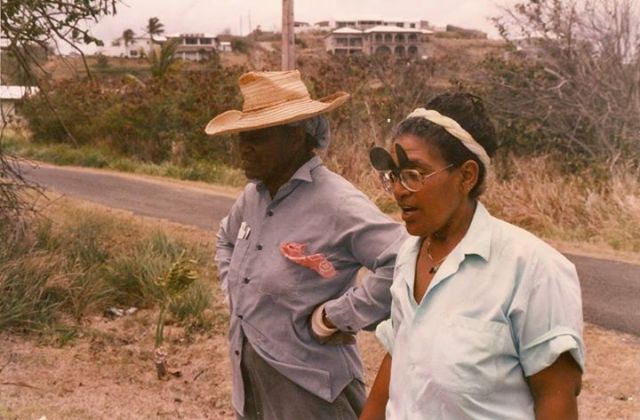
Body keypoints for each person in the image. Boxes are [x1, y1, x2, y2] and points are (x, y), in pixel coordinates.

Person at [360, 93, 585, 419]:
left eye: (414, 174)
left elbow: (555, 397)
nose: (398, 190)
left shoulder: (532, 267)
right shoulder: (409, 256)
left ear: (466, 176)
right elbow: (399, 354)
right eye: (394, 175)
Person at [205, 70, 407, 420]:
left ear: (296, 138)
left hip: (311, 391)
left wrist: (337, 316)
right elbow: (225, 238)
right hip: (251, 380)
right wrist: (234, 288)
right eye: (241, 137)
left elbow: (403, 260)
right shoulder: (254, 196)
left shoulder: (336, 202)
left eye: (258, 137)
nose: (244, 148)